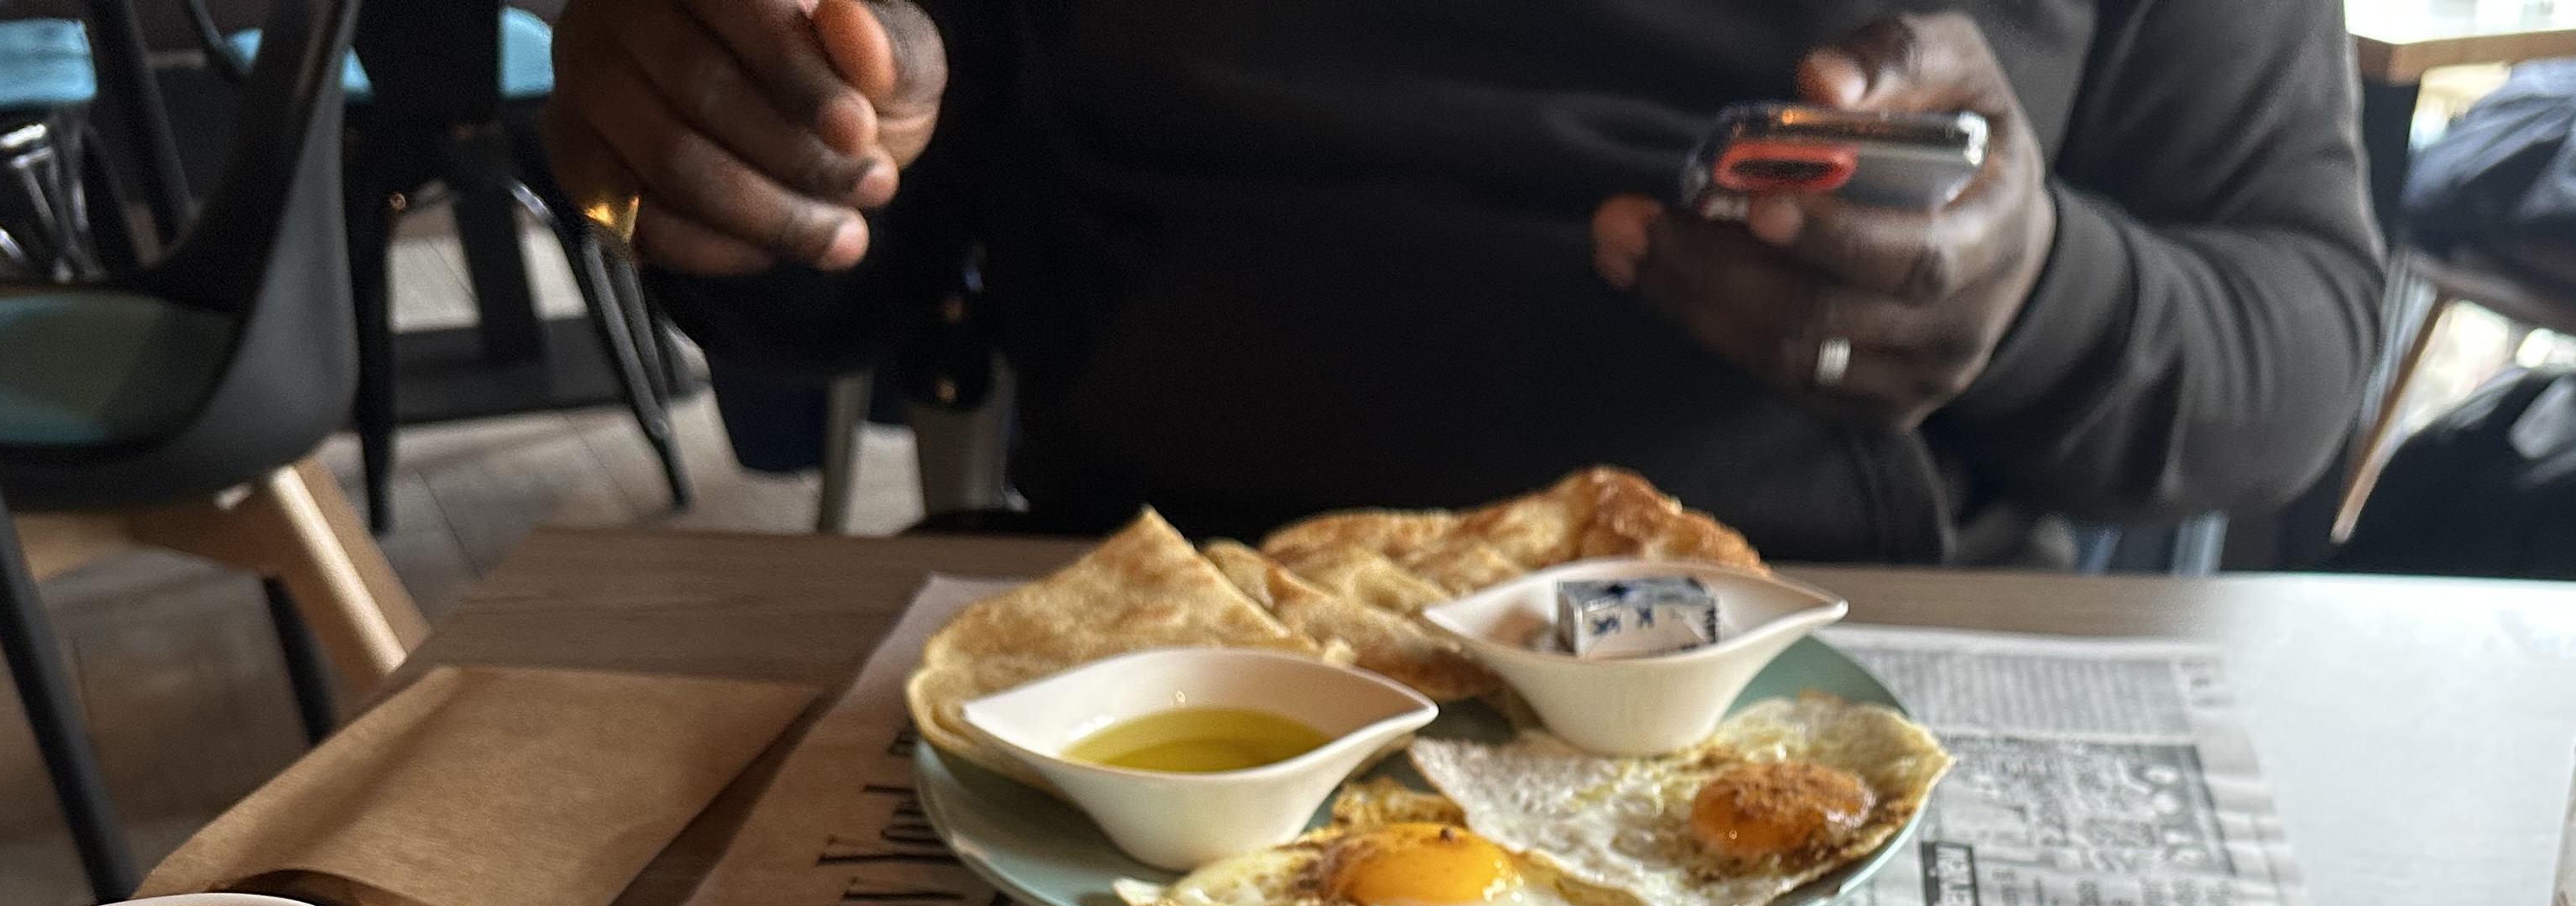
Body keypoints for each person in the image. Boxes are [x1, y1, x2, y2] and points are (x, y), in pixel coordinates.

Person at [541, 1, 2382, 562]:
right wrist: (730, 151)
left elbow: (2301, 345)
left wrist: (2037, 295)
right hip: (1146, 653)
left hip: (1847, 663)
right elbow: (868, 271)